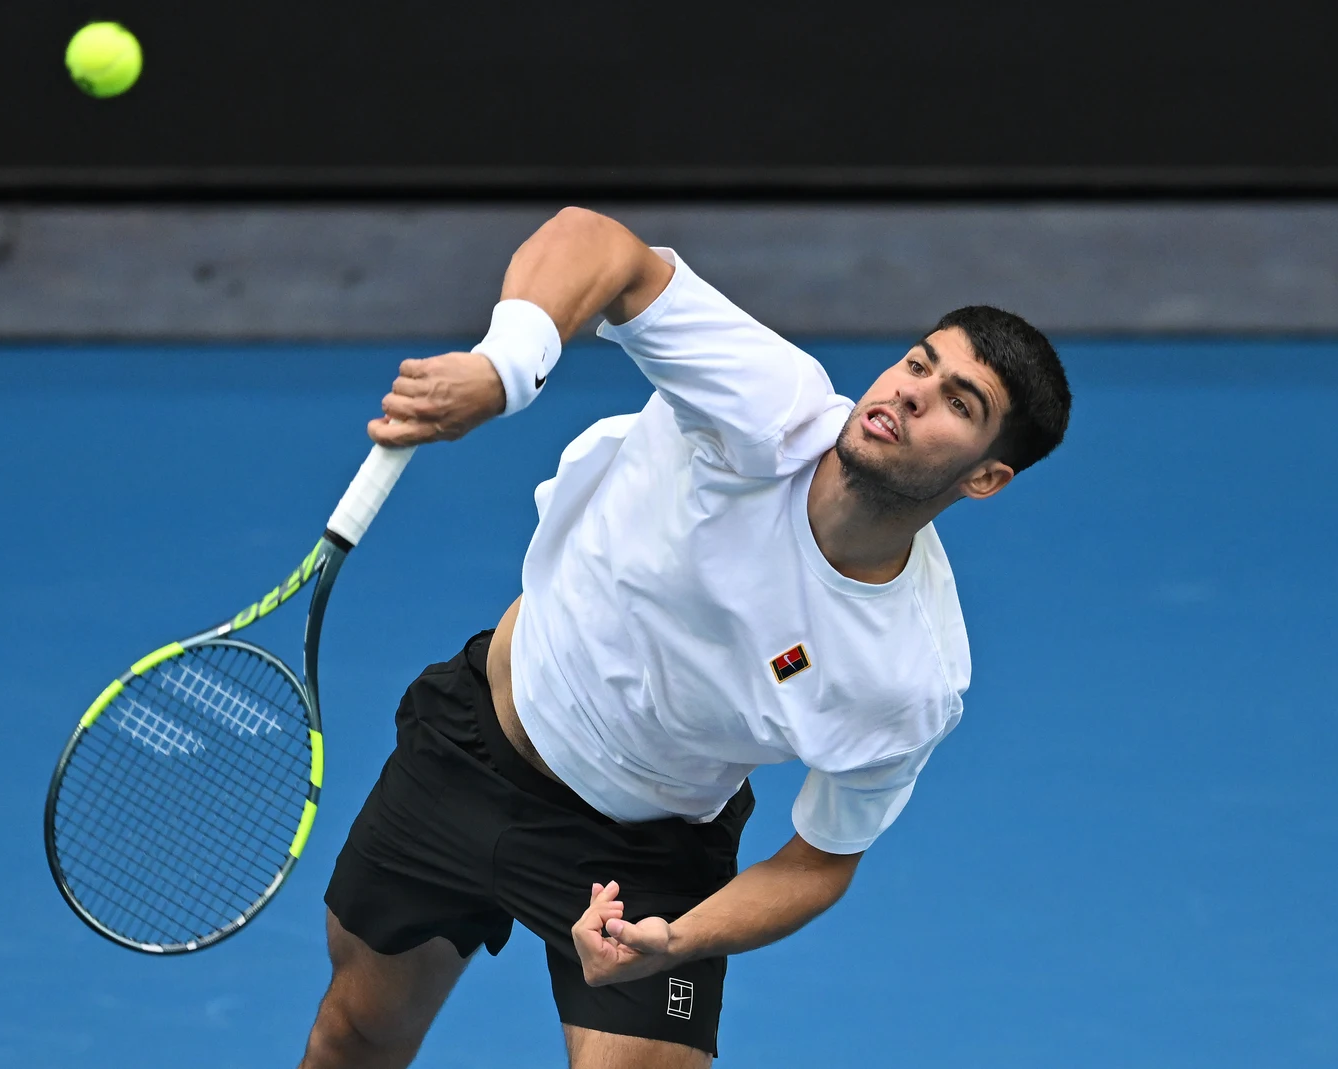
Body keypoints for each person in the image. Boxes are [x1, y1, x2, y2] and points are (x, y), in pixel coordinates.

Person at [298, 207, 1072, 1068]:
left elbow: (822, 860)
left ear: (987, 476)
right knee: (354, 1036)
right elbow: (599, 246)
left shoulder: (907, 675)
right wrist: (504, 369)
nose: (911, 391)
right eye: (919, 362)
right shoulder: (766, 402)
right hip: (470, 745)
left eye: (957, 404)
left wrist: (678, 938)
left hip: (645, 847)